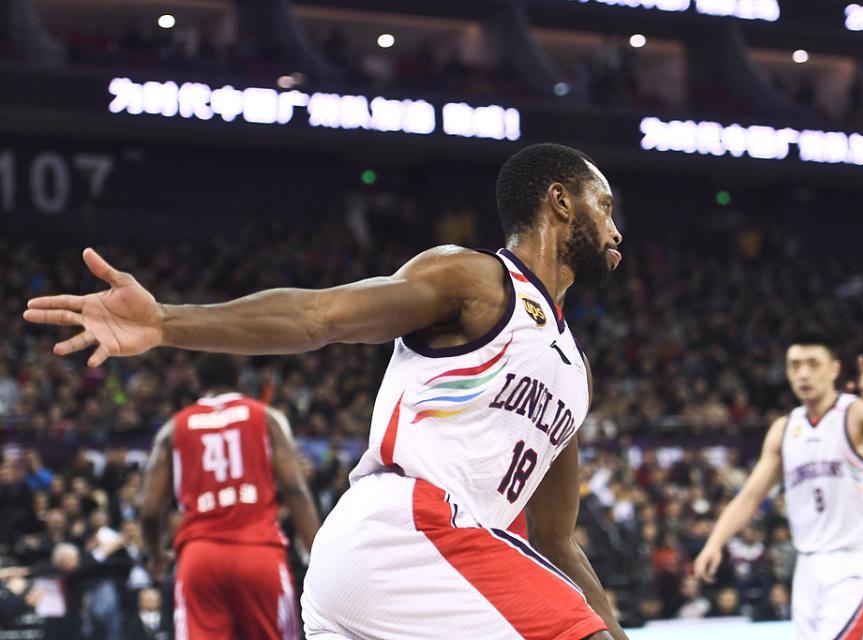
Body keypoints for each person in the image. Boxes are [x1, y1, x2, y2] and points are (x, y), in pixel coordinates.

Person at [24, 142, 626, 640]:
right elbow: (319, 317)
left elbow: (555, 540)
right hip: (407, 532)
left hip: (410, 579)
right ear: (560, 202)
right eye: (603, 206)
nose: (616, 229)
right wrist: (167, 322)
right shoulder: (477, 281)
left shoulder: (575, 371)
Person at [693, 327, 863, 639]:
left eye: (813, 364)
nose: (803, 373)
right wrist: (714, 542)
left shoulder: (856, 413)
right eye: (795, 365)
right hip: (807, 565)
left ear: (834, 369)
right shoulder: (784, 428)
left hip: (855, 561)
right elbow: (750, 496)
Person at [139, 353, 320, 640]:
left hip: (200, 556)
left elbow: (149, 510)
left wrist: (156, 555)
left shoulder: (173, 429)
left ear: (198, 383)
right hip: (258, 551)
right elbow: (295, 490)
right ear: (240, 381)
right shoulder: (267, 418)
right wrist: (319, 556)